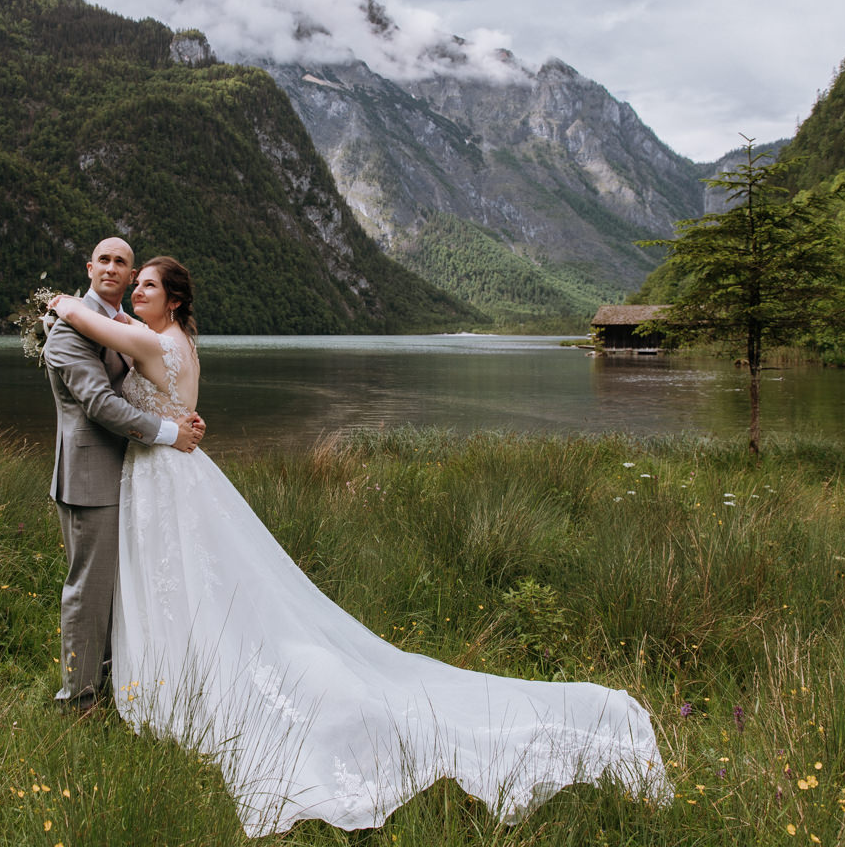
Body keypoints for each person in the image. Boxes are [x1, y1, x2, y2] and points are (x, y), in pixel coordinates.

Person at [50, 256, 669, 837]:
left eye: (146, 284)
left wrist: (54, 301)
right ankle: (158, 676)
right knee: (187, 582)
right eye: (132, 283)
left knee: (182, 583)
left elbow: (87, 320)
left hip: (162, 473)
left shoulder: (152, 341)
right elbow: (134, 347)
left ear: (174, 298)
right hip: (176, 472)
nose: (132, 290)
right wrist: (131, 338)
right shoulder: (179, 342)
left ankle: (170, 685)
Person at [43, 237, 204, 715]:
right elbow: (99, 402)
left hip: (137, 474)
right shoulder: (69, 331)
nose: (113, 269)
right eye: (105, 260)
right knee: (89, 592)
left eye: (123, 263)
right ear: (90, 268)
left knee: (132, 585)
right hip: (92, 476)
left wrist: (182, 418)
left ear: (131, 275)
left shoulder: (125, 327)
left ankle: (120, 682)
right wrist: (171, 429)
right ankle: (78, 700)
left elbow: (151, 380)